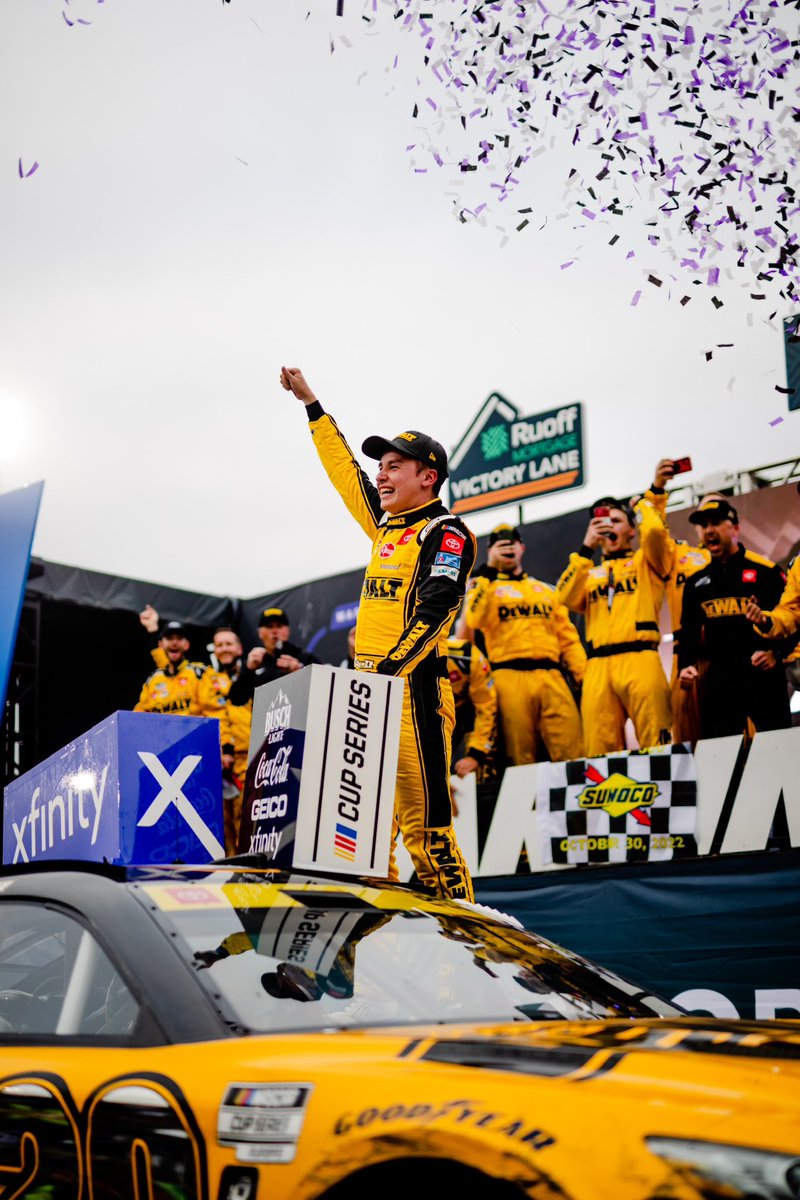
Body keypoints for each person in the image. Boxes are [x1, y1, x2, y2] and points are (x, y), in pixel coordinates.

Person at [279, 364, 475, 901]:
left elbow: (436, 612)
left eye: (393, 466)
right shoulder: (386, 525)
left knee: (429, 839)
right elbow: (345, 473)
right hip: (371, 697)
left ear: (427, 477)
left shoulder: (447, 533)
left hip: (413, 695)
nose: (381, 476)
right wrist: (313, 407)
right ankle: (378, 970)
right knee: (362, 846)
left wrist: (385, 674)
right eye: (380, 468)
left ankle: (469, 969)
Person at [555, 494, 672, 756]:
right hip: (598, 665)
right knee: (599, 751)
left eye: (616, 520)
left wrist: (641, 504)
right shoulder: (589, 572)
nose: (609, 526)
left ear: (631, 530)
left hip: (641, 658)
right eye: (603, 521)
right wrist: (587, 547)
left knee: (657, 744)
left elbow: (654, 530)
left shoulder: (647, 562)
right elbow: (563, 597)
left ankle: (664, 796)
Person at [464, 523, 585, 765]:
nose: (507, 547)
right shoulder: (486, 588)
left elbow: (568, 638)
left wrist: (584, 676)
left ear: (522, 548)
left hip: (552, 676)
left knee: (573, 751)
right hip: (509, 678)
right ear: (490, 551)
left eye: (512, 543)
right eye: (500, 545)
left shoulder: (545, 591)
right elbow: (474, 618)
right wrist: (488, 570)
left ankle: (579, 801)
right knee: (520, 758)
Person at [678, 498, 792, 740]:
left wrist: (777, 654)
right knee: (722, 753)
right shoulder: (696, 583)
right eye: (704, 525)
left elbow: (793, 620)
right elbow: (688, 630)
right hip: (720, 679)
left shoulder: (766, 571)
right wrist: (685, 665)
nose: (709, 531)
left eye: (717, 523)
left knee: (777, 747)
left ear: (735, 528)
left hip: (762, 676)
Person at [639, 463, 712, 746]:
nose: (710, 526)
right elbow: (654, 534)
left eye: (718, 518)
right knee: (689, 738)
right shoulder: (679, 555)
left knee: (742, 735)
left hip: (731, 653)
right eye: (704, 519)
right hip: (687, 656)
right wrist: (657, 491)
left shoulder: (746, 564)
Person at [227, 607, 319, 706]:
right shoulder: (255, 662)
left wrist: (299, 671)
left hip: (298, 717)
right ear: (260, 633)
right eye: (269, 626)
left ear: (287, 630)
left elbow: (324, 690)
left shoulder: (304, 657)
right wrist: (248, 671)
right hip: (264, 719)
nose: (274, 631)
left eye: (279, 626)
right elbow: (236, 700)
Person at [445, 634, 498, 781]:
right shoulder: (402, 662)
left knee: (479, 771)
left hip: (465, 718)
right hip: (426, 721)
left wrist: (476, 754)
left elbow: (486, 708)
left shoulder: (468, 656)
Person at [133, 620, 213, 716]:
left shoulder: (200, 673)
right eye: (169, 638)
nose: (174, 643)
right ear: (161, 645)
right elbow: (137, 717)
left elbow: (215, 712)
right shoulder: (153, 679)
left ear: (186, 644)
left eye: (179, 638)